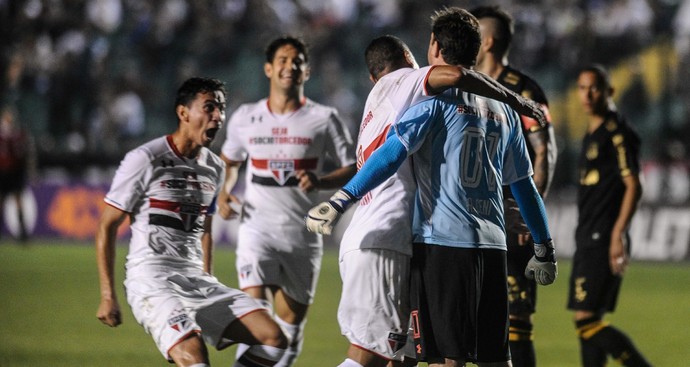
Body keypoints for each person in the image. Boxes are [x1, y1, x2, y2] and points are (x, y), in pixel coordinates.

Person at [307, 7, 557, 367]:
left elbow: (390, 154)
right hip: (492, 246)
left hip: (442, 245)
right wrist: (543, 246)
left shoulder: (433, 103)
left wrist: (343, 198)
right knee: (496, 359)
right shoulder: (506, 115)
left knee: (444, 359)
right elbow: (525, 187)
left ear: (434, 46)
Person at [96, 77, 288, 367]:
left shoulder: (214, 167)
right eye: (209, 107)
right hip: (152, 279)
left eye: (221, 109)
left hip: (196, 280)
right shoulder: (145, 159)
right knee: (195, 356)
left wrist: (207, 275)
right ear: (183, 113)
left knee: (274, 339)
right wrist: (108, 295)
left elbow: (205, 228)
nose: (218, 116)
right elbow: (107, 226)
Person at [217, 36, 357, 367]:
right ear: (268, 68)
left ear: (306, 71)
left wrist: (321, 181)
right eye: (282, 59)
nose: (289, 66)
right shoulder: (245, 117)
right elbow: (230, 162)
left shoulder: (324, 118)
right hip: (255, 229)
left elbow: (354, 166)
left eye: (297, 61)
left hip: (302, 233)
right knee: (256, 317)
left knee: (289, 330)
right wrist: (225, 191)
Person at [470, 6, 557, 367]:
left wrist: (525, 213)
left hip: (509, 217)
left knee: (516, 324)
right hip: (470, 218)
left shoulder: (522, 90)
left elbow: (545, 151)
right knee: (470, 325)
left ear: (486, 41)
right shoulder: (460, 83)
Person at [568, 65, 651, 367]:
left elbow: (634, 184)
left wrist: (618, 233)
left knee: (586, 321)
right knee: (588, 325)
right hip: (588, 233)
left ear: (609, 91)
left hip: (602, 235)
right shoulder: (592, 132)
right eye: (581, 88)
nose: (587, 95)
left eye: (594, 88)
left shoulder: (618, 133)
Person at [0, 104, 34, 242]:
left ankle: (23, 232)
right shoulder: (11, 134)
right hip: (4, 171)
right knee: (3, 201)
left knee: (18, 200)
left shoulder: (18, 134)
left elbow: (25, 153)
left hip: (14, 171)